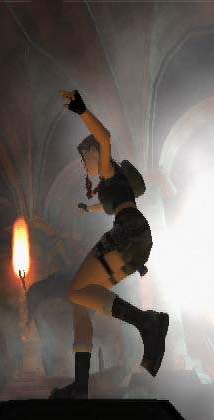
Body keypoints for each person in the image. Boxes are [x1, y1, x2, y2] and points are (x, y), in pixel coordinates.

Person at [49, 90, 169, 399]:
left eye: (83, 157)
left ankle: (146, 322)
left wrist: (82, 110)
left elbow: (104, 137)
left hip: (129, 233)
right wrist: (87, 209)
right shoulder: (111, 183)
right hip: (135, 238)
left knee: (75, 290)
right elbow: (107, 205)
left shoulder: (106, 167)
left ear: (91, 152)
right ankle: (81, 385)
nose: (83, 163)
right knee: (80, 299)